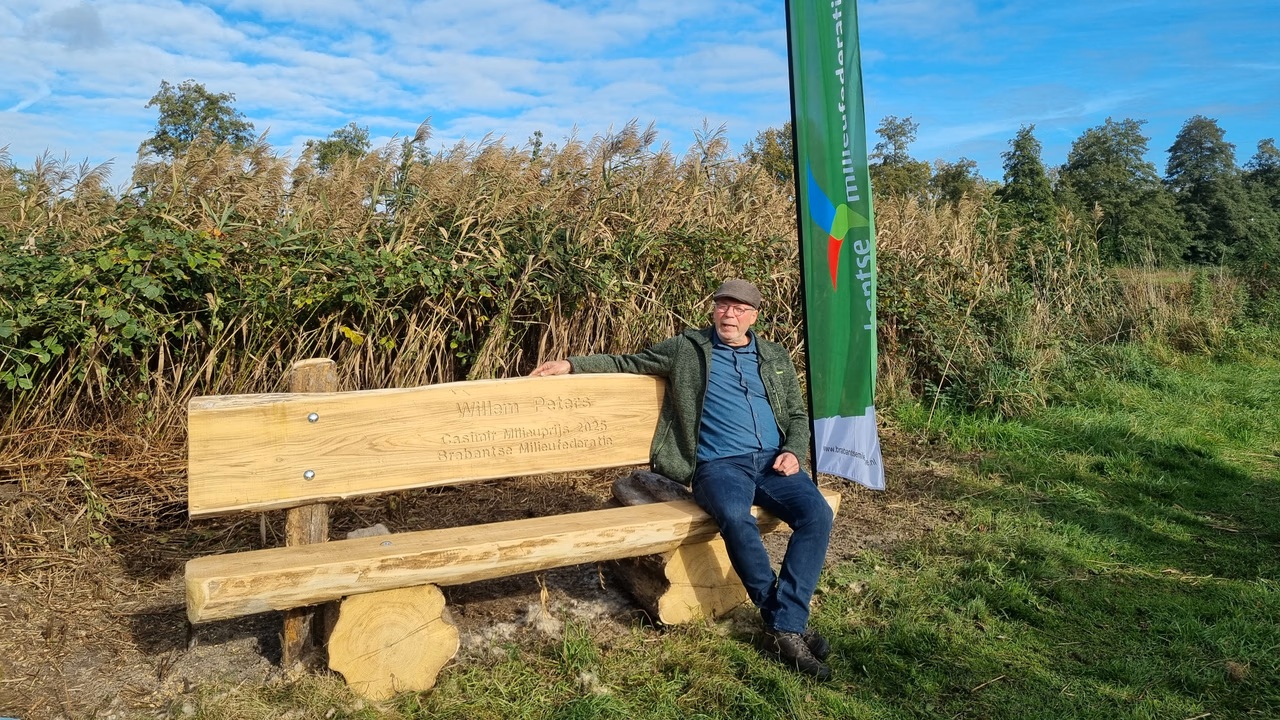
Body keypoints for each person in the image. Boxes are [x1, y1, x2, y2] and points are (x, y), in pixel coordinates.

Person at [530, 278, 835, 680]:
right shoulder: (687, 349)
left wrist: (793, 452)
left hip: (773, 462)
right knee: (733, 514)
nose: (730, 314)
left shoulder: (774, 356)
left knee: (817, 515)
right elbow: (630, 362)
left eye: (740, 309)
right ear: (713, 310)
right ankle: (786, 622)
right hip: (718, 465)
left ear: (754, 317)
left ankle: (783, 623)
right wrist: (571, 364)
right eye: (723, 306)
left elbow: (796, 415)